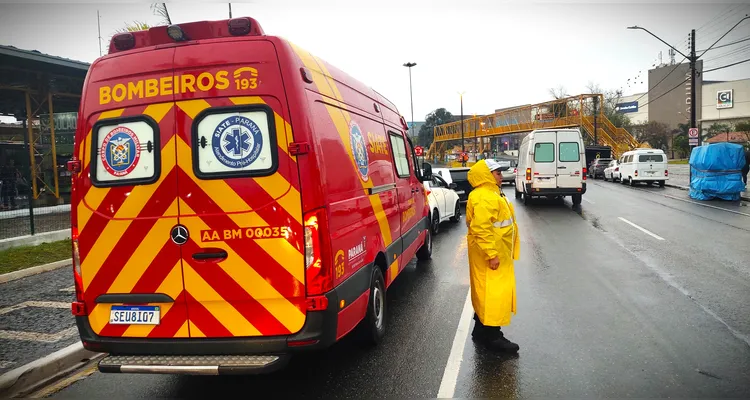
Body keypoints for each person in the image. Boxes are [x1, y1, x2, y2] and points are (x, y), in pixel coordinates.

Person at [465, 159, 521, 352]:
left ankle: (480, 331)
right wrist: (491, 254)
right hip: (492, 255)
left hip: (495, 253)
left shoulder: (489, 193)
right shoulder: (485, 196)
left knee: (486, 292)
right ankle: (492, 336)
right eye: (497, 173)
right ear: (487, 175)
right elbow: (480, 227)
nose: (501, 176)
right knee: (493, 294)